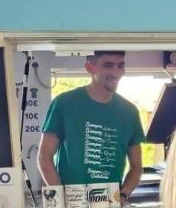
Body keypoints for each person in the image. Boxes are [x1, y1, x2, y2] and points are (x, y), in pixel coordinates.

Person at [38, 51, 145, 199]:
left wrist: (123, 195)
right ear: (89, 68)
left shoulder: (129, 111)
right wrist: (61, 198)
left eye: (121, 66)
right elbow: (44, 156)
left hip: (110, 206)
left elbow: (137, 167)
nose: (116, 72)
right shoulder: (64, 104)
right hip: (72, 204)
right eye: (108, 66)